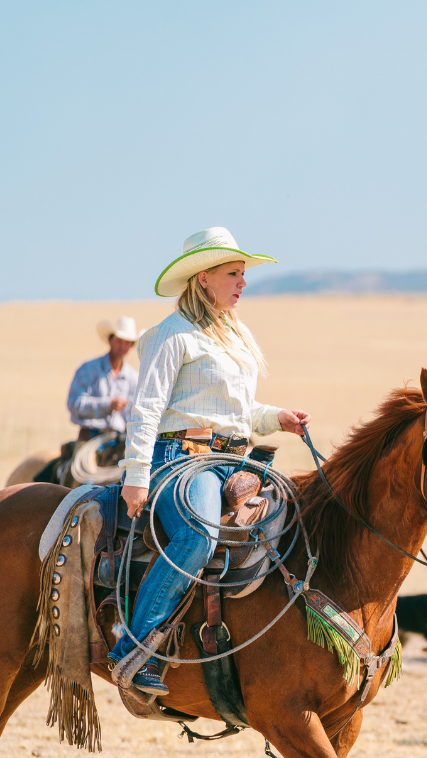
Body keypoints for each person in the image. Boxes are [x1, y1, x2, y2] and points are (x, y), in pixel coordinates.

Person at [108, 227, 312, 695]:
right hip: (179, 458)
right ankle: (134, 650)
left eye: (242, 274)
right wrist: (137, 477)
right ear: (203, 278)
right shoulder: (171, 335)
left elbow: (236, 413)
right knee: (198, 534)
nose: (243, 283)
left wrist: (276, 417)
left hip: (230, 456)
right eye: (233, 274)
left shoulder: (232, 336)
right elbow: (147, 411)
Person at [67, 317, 139, 440]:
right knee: (83, 459)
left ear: (131, 345)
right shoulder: (88, 369)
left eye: (127, 342)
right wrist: (108, 404)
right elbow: (73, 403)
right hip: (90, 436)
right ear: (110, 339)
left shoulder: (133, 377)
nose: (123, 346)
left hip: (120, 439)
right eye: (119, 341)